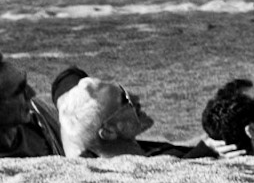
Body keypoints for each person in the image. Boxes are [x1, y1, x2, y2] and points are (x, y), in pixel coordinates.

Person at [55, 67, 228, 161]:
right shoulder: (137, 168)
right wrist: (207, 150)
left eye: (124, 91)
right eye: (125, 100)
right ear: (108, 132)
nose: (135, 98)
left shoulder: (119, 149)